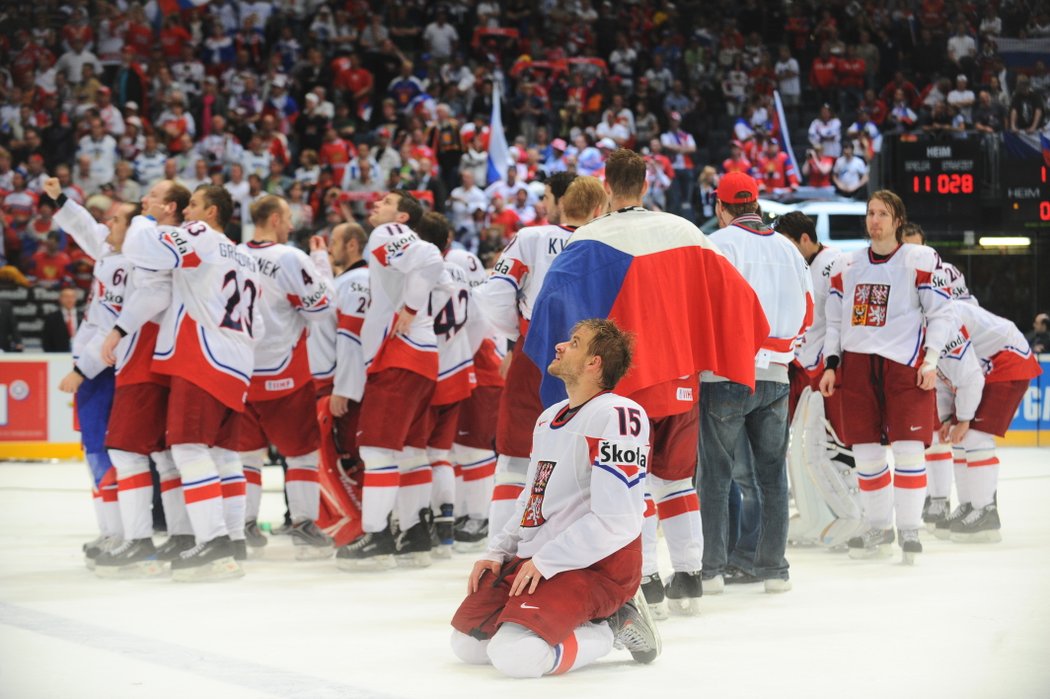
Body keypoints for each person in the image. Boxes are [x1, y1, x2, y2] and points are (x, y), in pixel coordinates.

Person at [523, 150, 769, 617]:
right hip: (681, 380)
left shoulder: (592, 237)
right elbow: (741, 300)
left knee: (631, 486)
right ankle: (691, 577)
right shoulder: (685, 232)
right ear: (647, 183)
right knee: (676, 481)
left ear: (607, 188)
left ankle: (649, 582)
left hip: (625, 386)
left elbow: (551, 303)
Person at [450, 318, 661, 678]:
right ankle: (580, 621)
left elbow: (619, 521)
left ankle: (612, 623)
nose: (561, 346)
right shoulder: (549, 417)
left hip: (597, 567)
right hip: (544, 559)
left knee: (515, 657)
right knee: (467, 644)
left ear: (595, 363)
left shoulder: (619, 414)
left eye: (575, 343)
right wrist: (498, 551)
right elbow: (531, 501)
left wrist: (547, 561)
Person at [121, 184, 264, 581]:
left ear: (212, 212)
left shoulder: (201, 237)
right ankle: (233, 539)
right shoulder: (246, 257)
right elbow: (263, 323)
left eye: (195, 206)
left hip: (202, 356)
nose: (186, 213)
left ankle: (213, 542)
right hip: (239, 362)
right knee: (224, 454)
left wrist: (144, 215)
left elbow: (139, 247)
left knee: (187, 449)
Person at [819, 190, 957, 564]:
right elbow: (834, 321)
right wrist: (831, 364)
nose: (874, 220)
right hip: (858, 365)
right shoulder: (846, 266)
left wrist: (931, 360)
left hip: (904, 366)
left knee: (910, 449)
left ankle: (909, 527)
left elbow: (942, 314)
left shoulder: (918, 259)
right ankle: (879, 524)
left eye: (882, 213)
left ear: (898, 220)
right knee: (865, 453)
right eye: (870, 213)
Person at [699, 172, 813, 594]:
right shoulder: (789, 249)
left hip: (726, 373)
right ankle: (773, 569)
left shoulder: (718, 245)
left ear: (721, 207)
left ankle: (710, 571)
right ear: (756, 203)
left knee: (715, 475)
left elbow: (702, 309)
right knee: (771, 477)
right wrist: (781, 354)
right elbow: (808, 313)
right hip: (777, 377)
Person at [336, 191, 445, 569]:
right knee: (411, 452)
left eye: (384, 202)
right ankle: (414, 535)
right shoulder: (401, 239)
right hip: (424, 357)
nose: (376, 206)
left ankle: (377, 535)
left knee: (378, 451)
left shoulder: (388, 233)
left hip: (398, 356)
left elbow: (431, 258)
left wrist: (411, 308)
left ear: (401, 216)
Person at [472, 172, 581, 539]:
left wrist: (516, 338)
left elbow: (495, 293)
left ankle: (501, 556)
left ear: (564, 199)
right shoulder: (606, 239)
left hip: (536, 352)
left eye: (548, 196)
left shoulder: (532, 237)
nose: (544, 205)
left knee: (517, 455)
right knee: (582, 459)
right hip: (592, 359)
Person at [96, 180, 193, 571]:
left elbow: (155, 293)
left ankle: (138, 540)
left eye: (152, 196)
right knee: (163, 453)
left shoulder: (156, 236)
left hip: (146, 351)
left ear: (169, 206)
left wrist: (118, 330)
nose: (143, 201)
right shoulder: (175, 238)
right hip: (166, 351)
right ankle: (182, 535)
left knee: (127, 450)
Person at [234, 195, 336, 559]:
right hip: (285, 373)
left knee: (246, 457)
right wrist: (322, 264)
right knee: (303, 456)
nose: (292, 226)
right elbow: (322, 308)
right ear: (275, 219)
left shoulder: (232, 253)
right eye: (289, 218)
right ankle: (304, 525)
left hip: (242, 371)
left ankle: (243, 526)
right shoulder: (290, 257)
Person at [46, 179, 134, 573]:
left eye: (114, 219)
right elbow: (83, 226)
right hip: (93, 364)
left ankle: (119, 533)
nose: (106, 223)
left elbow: (111, 328)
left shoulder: (125, 265)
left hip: (103, 369)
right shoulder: (110, 248)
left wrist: (83, 369)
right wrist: (59, 197)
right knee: (94, 452)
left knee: (104, 451)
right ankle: (110, 530)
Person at [932, 302, 1042, 543]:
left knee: (975, 435)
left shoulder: (943, 319)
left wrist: (964, 419)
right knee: (960, 439)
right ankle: (971, 506)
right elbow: (942, 376)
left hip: (1008, 358)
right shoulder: (924, 322)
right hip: (985, 364)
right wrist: (947, 419)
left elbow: (969, 375)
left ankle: (986, 511)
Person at [42, 287, 83, 352]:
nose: (69, 299)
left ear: (76, 299)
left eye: (72, 297)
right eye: (66, 297)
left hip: (81, 355)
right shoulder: (51, 318)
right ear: (60, 299)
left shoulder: (84, 317)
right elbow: (46, 342)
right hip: (59, 356)